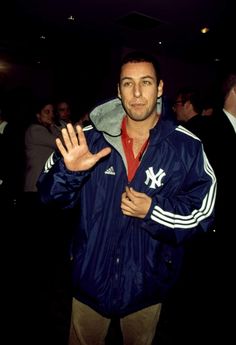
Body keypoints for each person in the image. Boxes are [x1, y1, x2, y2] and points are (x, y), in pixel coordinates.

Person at [37, 51, 216, 345]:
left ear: (159, 88)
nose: (136, 93)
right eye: (127, 83)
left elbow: (203, 211)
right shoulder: (87, 138)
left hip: (146, 286)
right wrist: (69, 173)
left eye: (145, 82)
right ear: (118, 90)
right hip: (89, 281)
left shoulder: (186, 147)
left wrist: (153, 211)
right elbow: (47, 197)